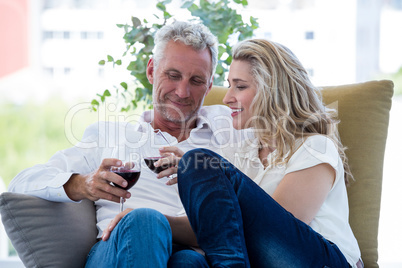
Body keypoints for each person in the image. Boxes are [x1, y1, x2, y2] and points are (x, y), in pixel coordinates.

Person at [8, 21, 242, 267]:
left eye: (196, 80)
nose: (182, 92)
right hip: (119, 249)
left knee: (188, 261)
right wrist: (82, 184)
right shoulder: (110, 136)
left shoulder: (230, 132)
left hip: (193, 255)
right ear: (151, 71)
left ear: (209, 84)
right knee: (145, 221)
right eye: (173, 75)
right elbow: (22, 182)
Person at [173, 39, 363, 267]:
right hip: (263, 257)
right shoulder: (240, 150)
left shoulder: (314, 147)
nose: (227, 98)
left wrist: (203, 173)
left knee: (199, 161)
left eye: (240, 86)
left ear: (273, 91)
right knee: (186, 261)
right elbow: (216, 226)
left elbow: (273, 237)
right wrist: (155, 219)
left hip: (320, 260)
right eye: (229, 85)